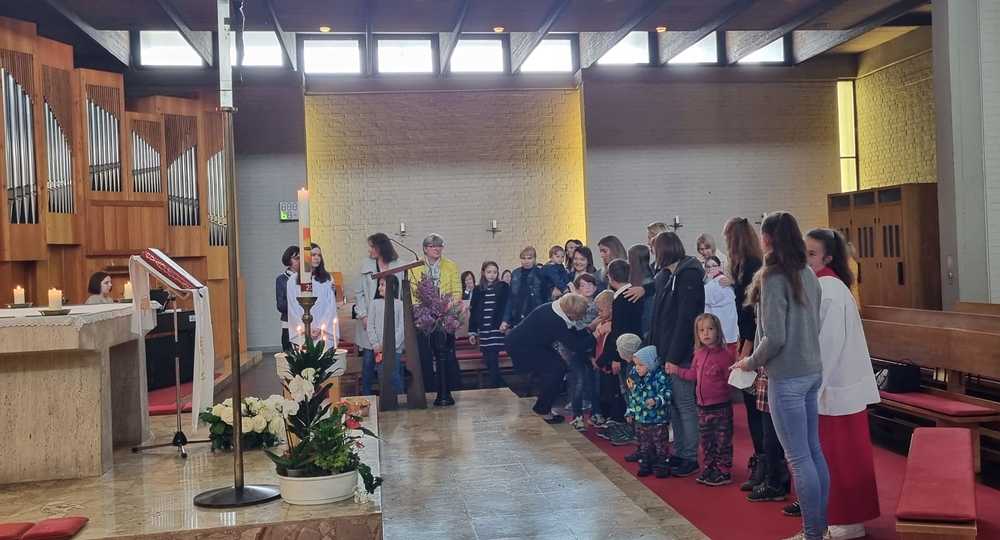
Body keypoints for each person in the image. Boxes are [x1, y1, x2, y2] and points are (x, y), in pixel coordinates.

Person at [733, 212, 827, 540]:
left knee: (799, 458)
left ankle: (813, 533)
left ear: (769, 238)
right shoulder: (807, 272)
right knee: (813, 452)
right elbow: (814, 323)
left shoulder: (774, 277)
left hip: (787, 376)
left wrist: (749, 362)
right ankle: (820, 528)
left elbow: (774, 337)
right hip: (811, 369)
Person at [798, 228, 880, 540]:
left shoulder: (829, 289)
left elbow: (828, 346)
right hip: (833, 388)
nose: (805, 258)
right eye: (804, 251)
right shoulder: (822, 285)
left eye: (812, 253)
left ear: (828, 258)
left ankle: (846, 522)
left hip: (834, 389)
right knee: (836, 456)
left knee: (841, 457)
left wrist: (811, 388)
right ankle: (837, 520)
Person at [645, 231, 705, 478]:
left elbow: (685, 319)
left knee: (685, 405)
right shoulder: (666, 275)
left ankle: (689, 456)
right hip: (666, 351)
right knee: (674, 407)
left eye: (654, 248)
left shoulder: (688, 274)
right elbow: (659, 318)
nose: (652, 252)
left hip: (681, 353)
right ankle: (679, 451)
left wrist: (673, 356)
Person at [724, 216, 768, 491]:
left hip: (754, 341)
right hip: (747, 338)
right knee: (752, 408)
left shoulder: (752, 265)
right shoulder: (743, 266)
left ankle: (766, 464)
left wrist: (746, 349)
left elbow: (751, 311)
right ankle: (761, 459)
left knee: (755, 407)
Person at [505, 294, 595, 424]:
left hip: (534, 344)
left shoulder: (556, 309)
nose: (581, 318)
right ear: (571, 313)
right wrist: (596, 334)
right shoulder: (554, 319)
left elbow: (572, 334)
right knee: (556, 370)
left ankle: (543, 407)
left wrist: (590, 329)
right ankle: (542, 410)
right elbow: (575, 345)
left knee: (558, 368)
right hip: (522, 347)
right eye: (580, 315)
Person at [670, 313, 735, 486]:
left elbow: (730, 379)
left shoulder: (724, 355)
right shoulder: (698, 354)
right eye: (701, 330)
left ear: (718, 331)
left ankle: (723, 470)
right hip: (702, 406)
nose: (706, 333)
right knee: (706, 440)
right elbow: (693, 374)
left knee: (722, 440)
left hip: (721, 406)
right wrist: (677, 371)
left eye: (710, 329)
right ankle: (709, 467)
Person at [408, 233, 463, 406]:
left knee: (447, 355)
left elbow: (457, 291)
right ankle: (428, 391)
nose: (437, 249)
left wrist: (446, 307)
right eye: (433, 246)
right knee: (425, 356)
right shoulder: (414, 267)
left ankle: (448, 390)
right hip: (424, 317)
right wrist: (423, 311)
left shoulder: (451, 265)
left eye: (440, 246)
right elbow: (413, 293)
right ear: (425, 249)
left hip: (445, 316)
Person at [595, 259, 644, 437]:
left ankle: (632, 429)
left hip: (625, 351)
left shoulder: (622, 299)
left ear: (610, 277)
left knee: (628, 389)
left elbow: (620, 330)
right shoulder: (635, 294)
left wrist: (615, 357)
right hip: (636, 347)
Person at [355, 233, 399, 395]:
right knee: (368, 360)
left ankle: (392, 395)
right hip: (370, 319)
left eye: (372, 246)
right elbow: (359, 293)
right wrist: (363, 315)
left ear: (381, 247)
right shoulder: (365, 265)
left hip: (390, 319)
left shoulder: (397, 265)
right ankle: (367, 396)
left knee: (391, 362)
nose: (370, 250)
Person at [625, 345, 672, 479]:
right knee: (644, 444)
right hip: (641, 419)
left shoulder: (659, 377)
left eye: (641, 365)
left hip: (658, 419)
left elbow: (667, 393)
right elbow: (632, 397)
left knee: (660, 444)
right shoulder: (634, 377)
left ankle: (662, 465)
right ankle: (646, 464)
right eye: (636, 364)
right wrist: (630, 411)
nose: (637, 367)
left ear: (650, 363)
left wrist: (656, 401)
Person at [287, 243, 339, 350]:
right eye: (313, 255)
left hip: (323, 331)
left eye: (319, 255)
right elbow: (292, 307)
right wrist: (305, 328)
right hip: (302, 331)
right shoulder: (293, 280)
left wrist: (320, 327)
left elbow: (331, 307)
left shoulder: (327, 279)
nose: (317, 258)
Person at [468, 261, 510, 388]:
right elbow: (473, 311)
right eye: (489, 272)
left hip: (496, 328)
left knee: (492, 358)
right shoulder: (477, 289)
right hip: (484, 329)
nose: (492, 275)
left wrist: (506, 322)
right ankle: (502, 386)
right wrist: (472, 332)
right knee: (488, 360)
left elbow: (508, 306)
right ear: (483, 273)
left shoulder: (503, 287)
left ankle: (495, 387)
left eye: (495, 272)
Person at [365, 276, 406, 396]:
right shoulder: (374, 304)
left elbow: (401, 328)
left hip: (394, 349)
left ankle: (400, 398)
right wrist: (376, 345)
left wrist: (390, 345)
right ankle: (386, 400)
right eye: (379, 285)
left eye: (382, 285)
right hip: (379, 349)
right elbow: (370, 326)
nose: (379, 288)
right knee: (382, 376)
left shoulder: (399, 305)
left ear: (392, 286)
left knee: (394, 375)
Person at [501, 246, 544, 331]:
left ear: (534, 259)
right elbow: (511, 298)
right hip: (517, 317)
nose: (526, 261)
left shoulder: (540, 274)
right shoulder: (515, 273)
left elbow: (545, 297)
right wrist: (505, 320)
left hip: (535, 316)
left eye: (529, 258)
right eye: (523, 258)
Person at [703, 256, 739, 353]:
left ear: (719, 267)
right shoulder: (710, 283)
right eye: (708, 266)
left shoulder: (720, 282)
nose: (711, 269)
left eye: (714, 266)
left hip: (724, 326)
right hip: (726, 329)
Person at [624, 243, 655, 336]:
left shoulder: (647, 282)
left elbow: (648, 312)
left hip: (643, 330)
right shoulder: (636, 279)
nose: (628, 262)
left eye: (630, 259)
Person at [275, 246, 300, 351]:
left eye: (301, 258)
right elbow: (281, 306)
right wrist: (299, 302)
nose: (299, 261)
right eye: (296, 258)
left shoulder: (308, 278)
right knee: (290, 356)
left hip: (307, 324)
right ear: (288, 260)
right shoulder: (281, 279)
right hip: (288, 323)